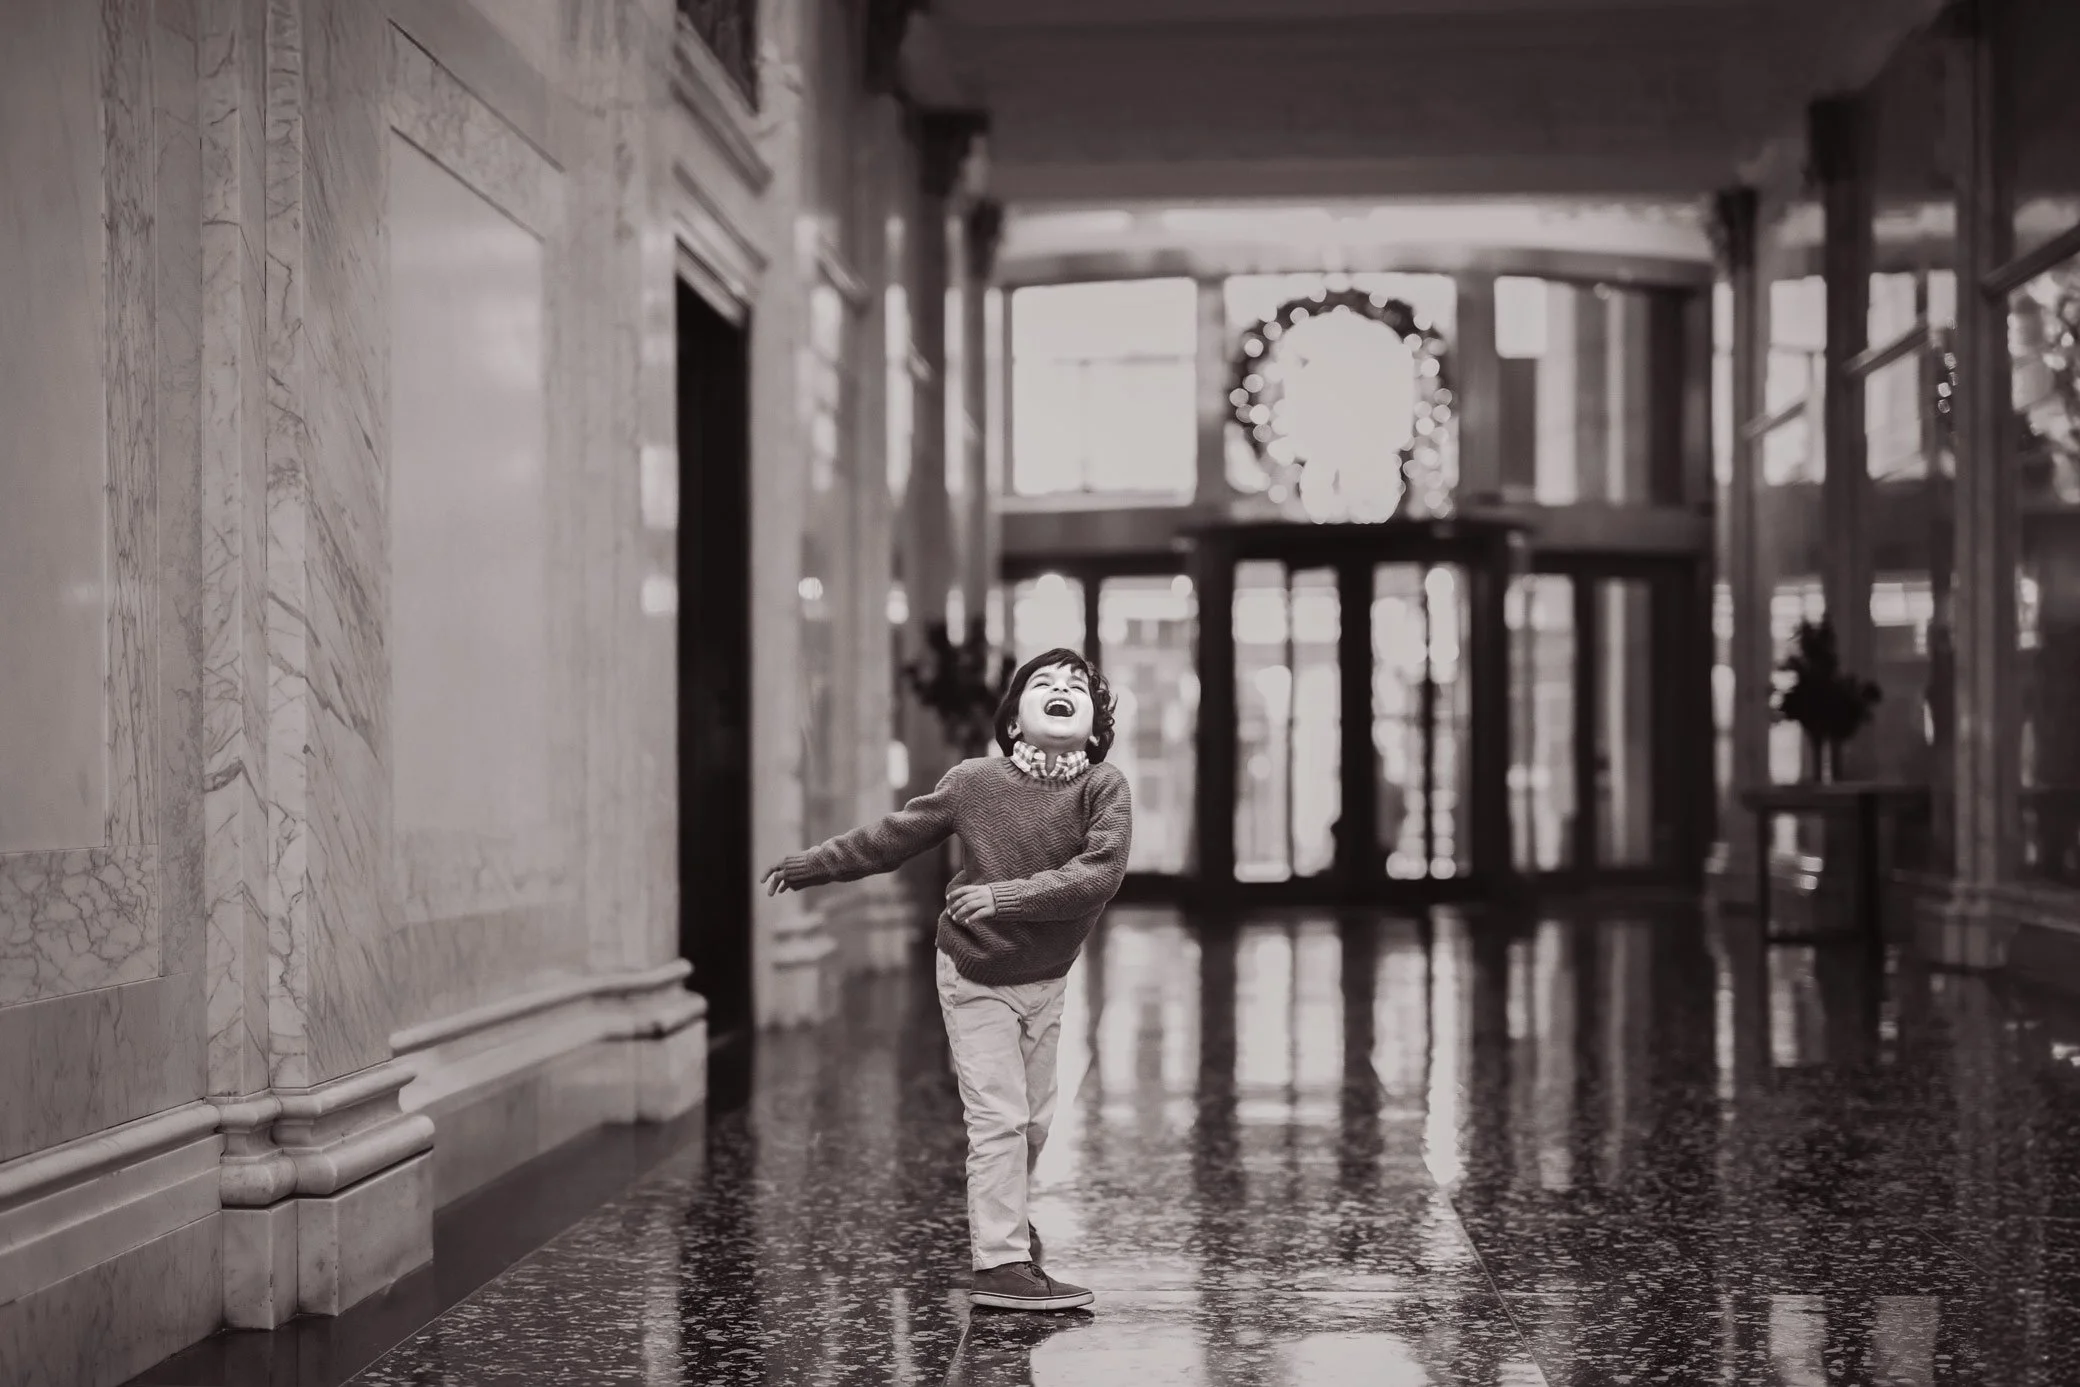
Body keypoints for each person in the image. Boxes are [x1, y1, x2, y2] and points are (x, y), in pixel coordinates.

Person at [762, 647, 1133, 1312]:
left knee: (1037, 1122)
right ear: (1013, 720)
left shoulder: (1103, 787)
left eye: (1075, 685)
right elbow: (892, 836)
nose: (1060, 688)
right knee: (999, 1115)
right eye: (1042, 682)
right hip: (974, 968)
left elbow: (1099, 874)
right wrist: (815, 863)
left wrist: (1006, 895)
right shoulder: (972, 782)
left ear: (1095, 724)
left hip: (1046, 974)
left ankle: (1007, 1221)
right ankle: (999, 1264)